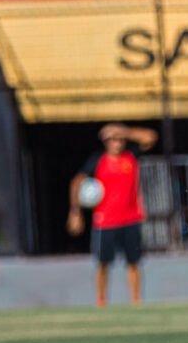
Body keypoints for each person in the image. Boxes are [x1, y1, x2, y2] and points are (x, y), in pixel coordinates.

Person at [67, 123, 158, 308]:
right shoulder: (97, 160)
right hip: (105, 221)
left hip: (131, 218)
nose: (116, 142)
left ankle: (136, 301)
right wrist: (75, 211)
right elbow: (77, 182)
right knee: (103, 263)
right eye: (112, 139)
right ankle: (101, 302)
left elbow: (151, 137)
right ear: (105, 142)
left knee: (133, 262)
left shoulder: (130, 156)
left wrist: (125, 131)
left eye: (119, 139)